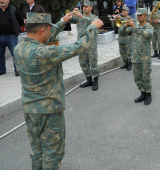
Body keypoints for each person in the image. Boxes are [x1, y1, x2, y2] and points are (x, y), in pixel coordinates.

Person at [14, 12, 103, 169]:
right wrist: (92, 27)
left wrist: (62, 21)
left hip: (30, 108)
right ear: (42, 30)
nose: (50, 33)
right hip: (49, 111)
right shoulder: (44, 53)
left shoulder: (19, 48)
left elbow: (45, 37)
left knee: (37, 150)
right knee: (52, 153)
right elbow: (78, 47)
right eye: (48, 29)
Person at [69, 0, 100, 91]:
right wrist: (72, 12)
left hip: (91, 44)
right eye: (83, 6)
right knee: (83, 62)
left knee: (93, 62)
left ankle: (95, 81)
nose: (84, 8)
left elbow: (94, 23)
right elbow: (69, 19)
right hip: (81, 44)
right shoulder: (78, 17)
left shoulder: (94, 18)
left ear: (91, 7)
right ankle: (88, 79)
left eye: (86, 6)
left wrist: (81, 16)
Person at [125, 8, 153, 105]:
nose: (138, 17)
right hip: (135, 56)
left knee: (146, 77)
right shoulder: (134, 27)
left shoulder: (149, 26)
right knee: (137, 77)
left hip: (145, 57)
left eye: (140, 15)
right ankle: (142, 93)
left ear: (145, 16)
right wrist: (125, 25)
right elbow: (123, 33)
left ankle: (148, 94)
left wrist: (135, 27)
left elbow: (148, 35)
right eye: (137, 15)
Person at [0, 0, 24, 77]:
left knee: (15, 53)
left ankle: (17, 70)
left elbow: (21, 22)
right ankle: (2, 70)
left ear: (8, 1)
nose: (2, 1)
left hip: (11, 36)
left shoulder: (13, 10)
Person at [111, 6, 132, 71]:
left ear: (128, 12)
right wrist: (114, 21)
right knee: (122, 52)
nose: (122, 11)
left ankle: (130, 64)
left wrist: (122, 19)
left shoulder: (130, 18)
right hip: (121, 38)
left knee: (129, 52)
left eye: (124, 10)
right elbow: (114, 26)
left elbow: (130, 30)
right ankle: (126, 63)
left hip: (128, 38)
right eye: (122, 10)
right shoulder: (119, 19)